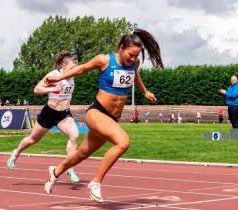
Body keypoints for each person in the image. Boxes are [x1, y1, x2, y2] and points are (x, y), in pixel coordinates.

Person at [44, 28, 163, 202]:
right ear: (121, 48)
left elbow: (135, 75)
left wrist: (144, 92)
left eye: (136, 56)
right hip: (97, 112)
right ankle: (95, 182)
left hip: (112, 118)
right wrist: (59, 78)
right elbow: (81, 69)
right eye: (130, 54)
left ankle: (55, 172)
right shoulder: (105, 60)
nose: (132, 59)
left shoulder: (134, 64)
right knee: (123, 142)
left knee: (82, 153)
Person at [7, 51, 80, 183]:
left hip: (64, 114)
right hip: (49, 113)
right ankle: (16, 153)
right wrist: (52, 89)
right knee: (32, 139)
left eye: (75, 69)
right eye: (71, 68)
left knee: (74, 136)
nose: (73, 71)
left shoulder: (72, 76)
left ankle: (69, 166)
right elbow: (37, 89)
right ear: (64, 65)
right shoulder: (54, 75)